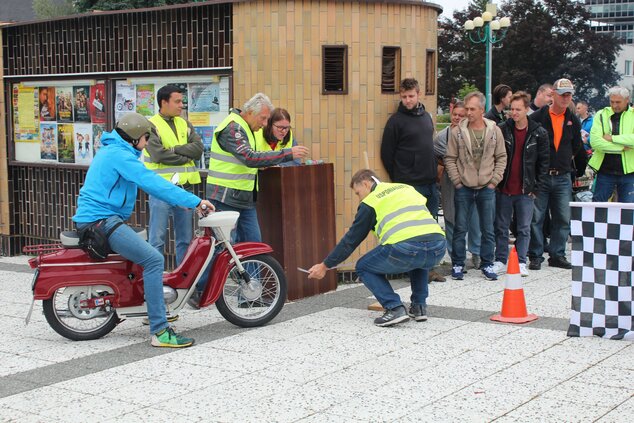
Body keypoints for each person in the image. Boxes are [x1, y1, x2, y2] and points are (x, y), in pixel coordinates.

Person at [72, 113, 214, 348]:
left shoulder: (115, 151)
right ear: (135, 137)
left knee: (142, 255)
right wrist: (195, 202)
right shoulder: (120, 156)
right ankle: (159, 331)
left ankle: (152, 306)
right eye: (146, 137)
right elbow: (152, 182)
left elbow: (152, 185)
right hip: (101, 221)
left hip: (102, 218)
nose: (147, 143)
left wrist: (185, 200)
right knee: (154, 259)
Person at [193, 94, 309, 301]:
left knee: (254, 245)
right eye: (263, 119)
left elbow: (252, 159)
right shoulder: (233, 127)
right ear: (250, 112)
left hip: (244, 198)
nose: (264, 124)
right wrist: (287, 154)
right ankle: (198, 290)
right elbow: (248, 157)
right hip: (223, 196)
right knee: (221, 246)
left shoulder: (248, 128)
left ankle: (250, 295)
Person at [307, 169, 446, 327]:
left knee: (363, 266)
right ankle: (419, 307)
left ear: (366, 183)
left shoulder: (370, 202)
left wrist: (325, 266)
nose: (359, 199)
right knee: (420, 259)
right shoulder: (405, 188)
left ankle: (394, 308)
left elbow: (350, 241)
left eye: (358, 193)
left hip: (405, 247)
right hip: (438, 246)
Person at [381, 78, 444, 282]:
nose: (408, 100)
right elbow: (386, 154)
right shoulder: (395, 122)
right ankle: (416, 271)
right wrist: (400, 178)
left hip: (430, 182)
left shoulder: (426, 116)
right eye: (404, 96)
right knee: (414, 230)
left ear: (418, 95)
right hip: (409, 184)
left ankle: (429, 269)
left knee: (430, 226)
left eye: (411, 96)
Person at [444, 91, 507, 281]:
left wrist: (494, 180)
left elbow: (501, 157)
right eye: (467, 109)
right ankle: (458, 264)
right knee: (460, 227)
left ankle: (487, 264)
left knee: (487, 228)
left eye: (472, 109)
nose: (468, 112)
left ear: (481, 110)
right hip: (464, 186)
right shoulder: (458, 132)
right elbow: (450, 158)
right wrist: (457, 181)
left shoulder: (494, 131)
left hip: (487, 187)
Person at [144, 85, 204, 266]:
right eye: (177, 101)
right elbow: (158, 154)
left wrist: (174, 150)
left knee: (185, 239)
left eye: (182, 101)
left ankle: (183, 285)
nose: (181, 105)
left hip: (183, 190)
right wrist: (185, 155)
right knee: (157, 240)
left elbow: (199, 149)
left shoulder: (184, 123)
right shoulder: (150, 125)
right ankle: (155, 284)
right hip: (160, 189)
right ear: (164, 102)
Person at [528, 78, 583, 270]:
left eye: (569, 94)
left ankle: (557, 254)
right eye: (563, 94)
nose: (567, 98)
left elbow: (577, 146)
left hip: (562, 175)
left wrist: (567, 162)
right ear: (553, 94)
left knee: (562, 217)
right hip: (542, 175)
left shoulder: (573, 119)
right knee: (537, 217)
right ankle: (535, 254)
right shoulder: (537, 117)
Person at [492, 92, 549, 277]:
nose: (514, 113)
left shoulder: (538, 132)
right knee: (501, 227)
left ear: (526, 109)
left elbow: (543, 163)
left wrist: (536, 188)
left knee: (524, 228)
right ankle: (500, 260)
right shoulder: (503, 129)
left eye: (518, 109)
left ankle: (522, 261)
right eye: (511, 109)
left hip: (526, 189)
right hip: (505, 187)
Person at [434, 101, 482, 271]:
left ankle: (476, 253)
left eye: (461, 116)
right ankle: (455, 256)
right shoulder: (442, 137)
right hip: (450, 182)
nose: (456, 118)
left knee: (474, 218)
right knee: (451, 217)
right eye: (455, 114)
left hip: (472, 182)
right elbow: (444, 158)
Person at [589, 86, 634, 203]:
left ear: (627, 100)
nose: (614, 105)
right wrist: (622, 147)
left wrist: (612, 138)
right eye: (612, 102)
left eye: (618, 102)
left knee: (628, 210)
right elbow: (595, 142)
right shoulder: (601, 114)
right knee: (598, 208)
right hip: (605, 171)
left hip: (629, 172)